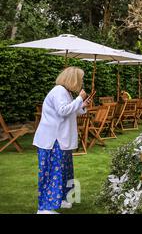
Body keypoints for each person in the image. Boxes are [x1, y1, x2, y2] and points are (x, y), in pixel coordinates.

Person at [33, 67, 91, 214]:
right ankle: (45, 208)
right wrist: (79, 98)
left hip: (60, 139)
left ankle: (63, 199)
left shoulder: (65, 92)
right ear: (74, 79)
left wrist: (82, 105)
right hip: (53, 140)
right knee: (52, 172)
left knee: (64, 170)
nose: (81, 82)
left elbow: (70, 111)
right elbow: (62, 110)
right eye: (80, 79)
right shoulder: (59, 91)